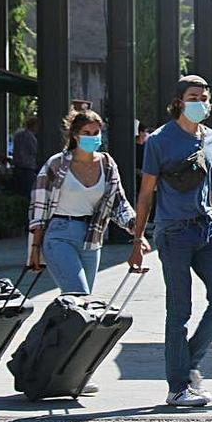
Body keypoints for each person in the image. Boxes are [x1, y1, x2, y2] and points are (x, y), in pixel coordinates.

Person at [129, 74, 212, 407]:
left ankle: (188, 362)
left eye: (205, 98)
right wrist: (137, 239)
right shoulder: (159, 140)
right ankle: (177, 386)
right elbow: (146, 194)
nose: (201, 103)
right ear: (179, 101)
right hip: (173, 232)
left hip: (205, 231)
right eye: (194, 97)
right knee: (179, 309)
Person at [28, 106, 147, 298]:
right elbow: (39, 207)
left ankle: (57, 327)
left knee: (82, 306)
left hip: (92, 236)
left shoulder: (107, 164)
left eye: (96, 133)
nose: (92, 137)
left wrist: (138, 233)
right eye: (86, 133)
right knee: (78, 294)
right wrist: (35, 248)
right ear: (75, 135)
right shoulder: (56, 164)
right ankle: (49, 327)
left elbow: (119, 203)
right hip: (59, 234)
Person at [12, 116, 39, 197]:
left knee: (19, 191)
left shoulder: (18, 134)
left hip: (17, 167)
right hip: (28, 168)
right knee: (27, 192)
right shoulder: (31, 137)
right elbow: (34, 151)